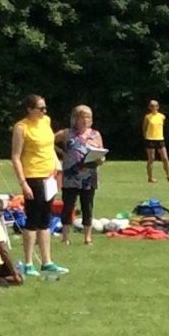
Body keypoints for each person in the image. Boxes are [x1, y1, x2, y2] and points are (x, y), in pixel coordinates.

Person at [10, 93, 68, 277]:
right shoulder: (21, 127)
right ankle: (28, 263)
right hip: (33, 176)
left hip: (49, 176)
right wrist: (23, 183)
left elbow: (49, 148)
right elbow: (16, 157)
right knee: (32, 220)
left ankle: (47, 261)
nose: (44, 111)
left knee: (46, 219)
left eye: (45, 108)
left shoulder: (46, 121)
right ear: (29, 109)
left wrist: (57, 168)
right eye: (40, 108)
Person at [55, 104, 105, 248]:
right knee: (68, 205)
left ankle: (87, 237)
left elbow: (102, 152)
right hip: (71, 176)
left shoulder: (95, 134)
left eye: (88, 117)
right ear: (75, 119)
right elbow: (48, 141)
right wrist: (61, 152)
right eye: (82, 117)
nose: (85, 120)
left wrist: (101, 159)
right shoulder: (67, 133)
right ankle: (65, 237)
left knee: (87, 206)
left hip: (89, 176)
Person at [143, 100, 169, 185]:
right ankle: (150, 177)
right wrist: (146, 137)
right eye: (152, 106)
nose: (154, 107)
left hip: (160, 139)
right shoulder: (147, 117)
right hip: (150, 139)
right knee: (151, 158)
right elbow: (144, 128)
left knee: (165, 158)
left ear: (158, 107)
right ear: (149, 107)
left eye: (155, 105)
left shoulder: (162, 116)